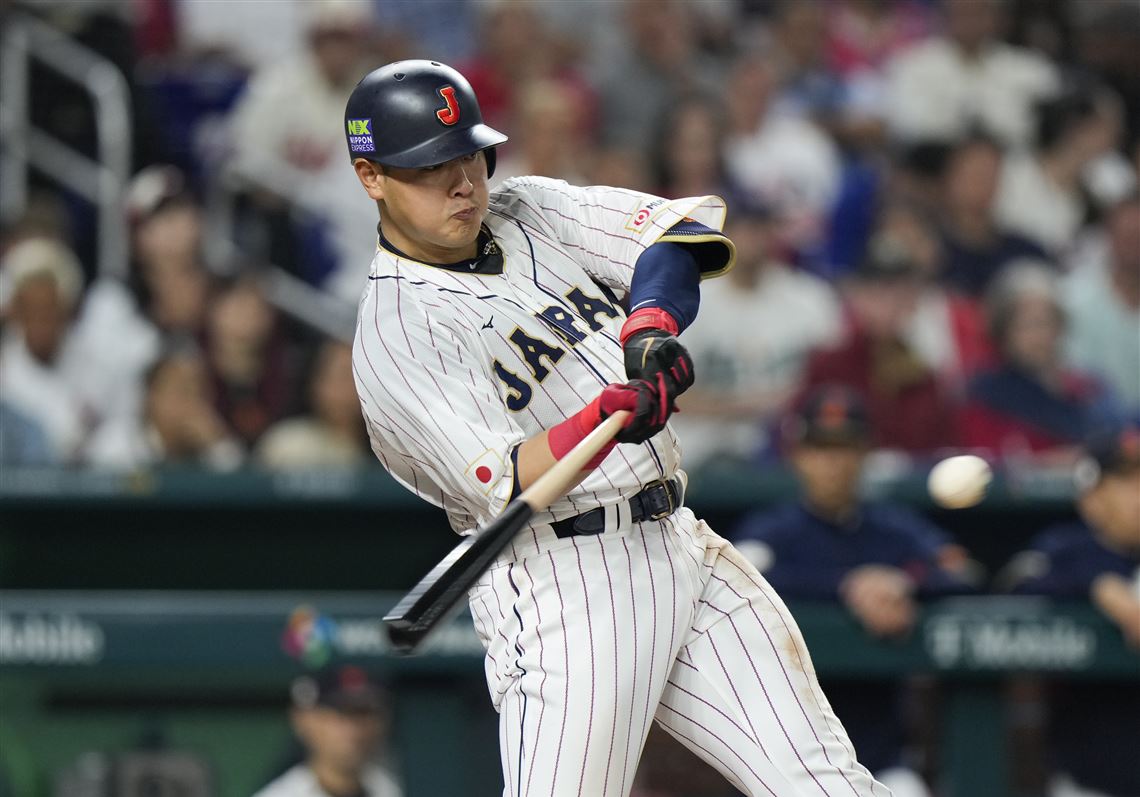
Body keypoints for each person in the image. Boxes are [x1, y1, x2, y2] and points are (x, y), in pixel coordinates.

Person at [346, 60, 888, 796]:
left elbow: (675, 236)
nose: (463, 182)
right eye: (431, 167)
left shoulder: (529, 207)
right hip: (567, 582)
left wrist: (651, 327)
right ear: (371, 176)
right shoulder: (396, 334)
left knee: (827, 784)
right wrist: (601, 414)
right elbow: (509, 476)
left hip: (677, 539)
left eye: (469, 153)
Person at [730, 386, 975, 797]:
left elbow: (961, 572)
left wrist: (903, 583)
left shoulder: (892, 529)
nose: (832, 463)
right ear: (797, 455)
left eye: (844, 449)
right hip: (785, 759)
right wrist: (846, 585)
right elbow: (740, 579)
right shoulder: (773, 530)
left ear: (865, 454)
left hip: (878, 759)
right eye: (820, 449)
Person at [1001, 426, 1140, 797]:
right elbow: (1016, 584)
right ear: (1091, 498)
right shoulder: (1067, 550)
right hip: (1090, 777)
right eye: (1126, 479)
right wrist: (1099, 585)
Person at [962, 262, 1123, 460]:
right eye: (1026, 326)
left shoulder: (1089, 387)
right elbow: (991, 465)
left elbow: (1119, 436)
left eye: (1046, 322)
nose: (1039, 336)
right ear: (1002, 332)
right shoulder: (986, 394)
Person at [253, 666, 402, 797]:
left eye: (362, 712)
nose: (351, 728)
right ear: (303, 719)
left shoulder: (400, 790)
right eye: (338, 712)